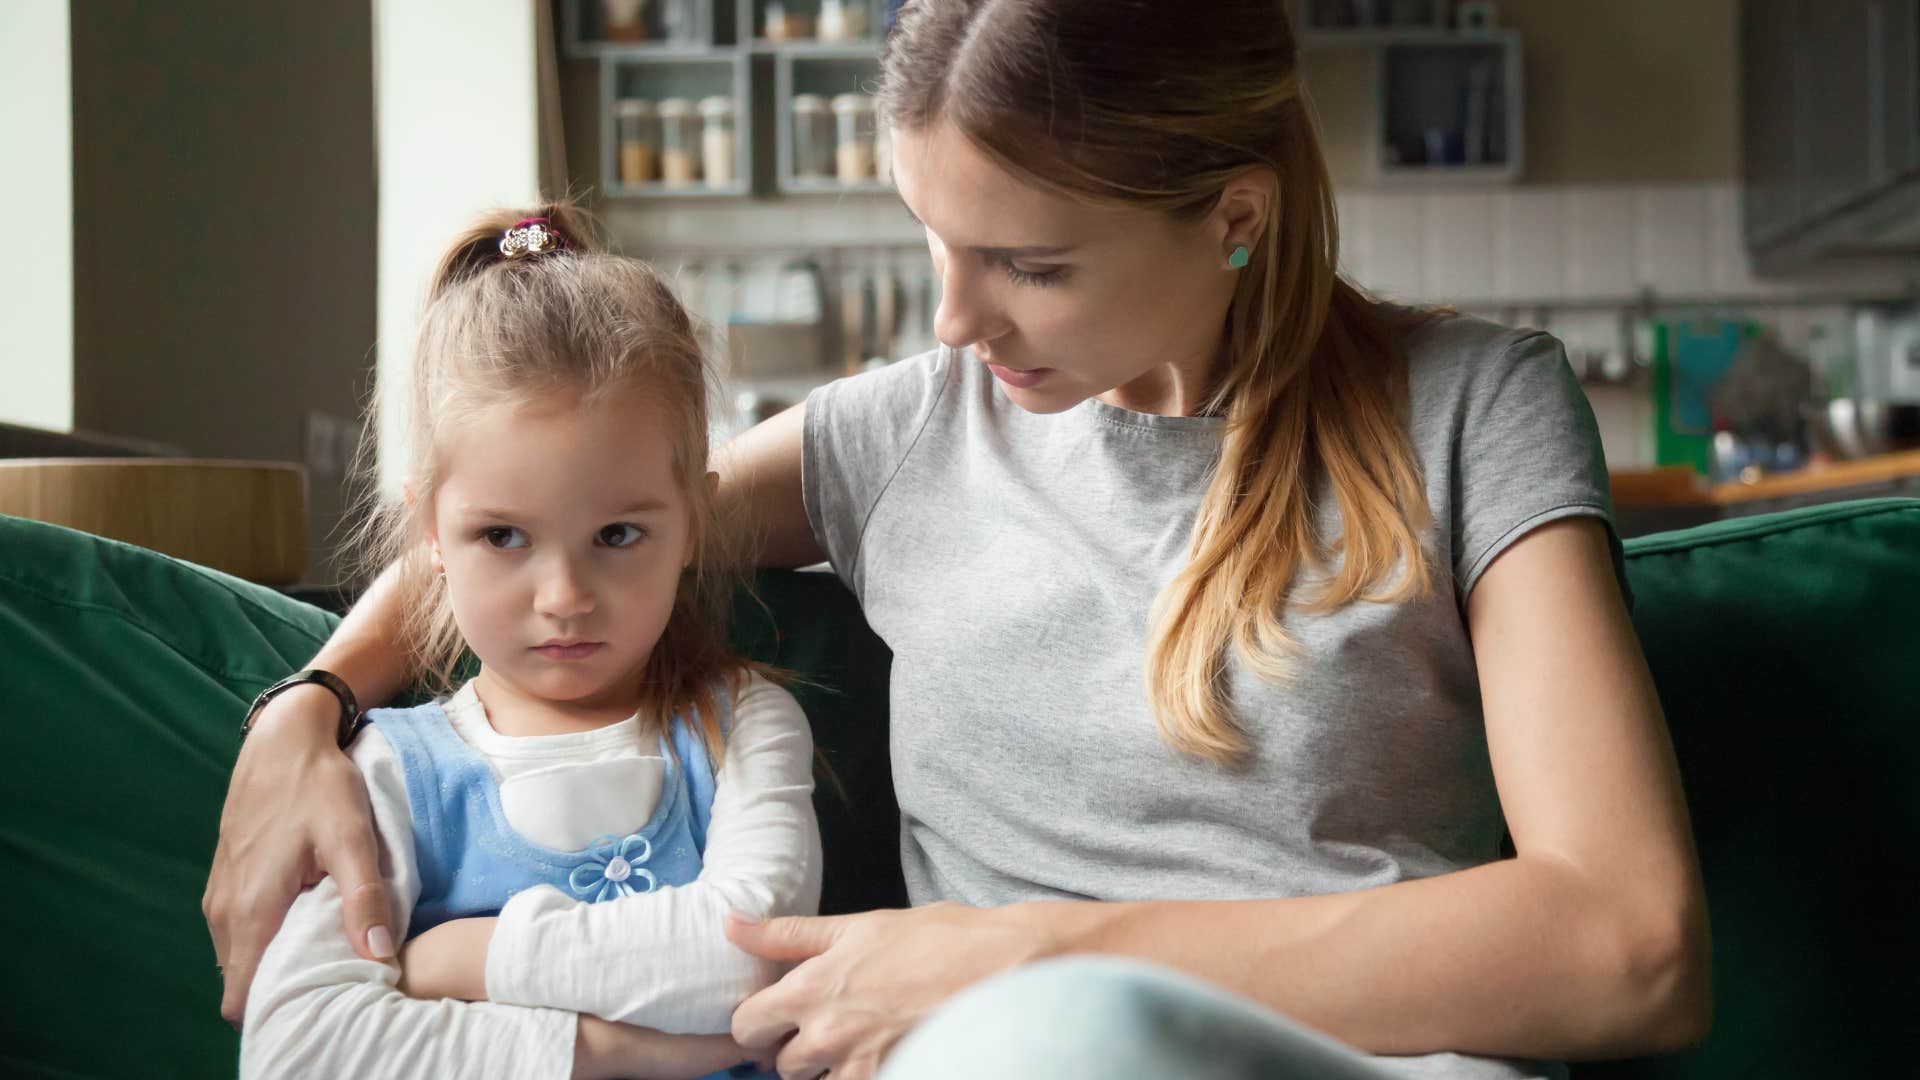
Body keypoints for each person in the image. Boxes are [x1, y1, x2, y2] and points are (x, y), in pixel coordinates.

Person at [207, 3, 1712, 1078]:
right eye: (935, 239)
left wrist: (1038, 956)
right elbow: (554, 530)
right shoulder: (909, 433)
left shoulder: (1471, 408)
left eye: (1032, 266)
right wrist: (309, 707)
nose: (954, 319)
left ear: (1235, 216)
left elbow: (1630, 943)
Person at [234, 207, 820, 1079]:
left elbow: (754, 954)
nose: (565, 598)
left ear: (693, 521)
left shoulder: (742, 724)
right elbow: (296, 1050)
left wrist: (467, 960)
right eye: (503, 538)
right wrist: (619, 1051)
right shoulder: (389, 769)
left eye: (618, 535)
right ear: (430, 531)